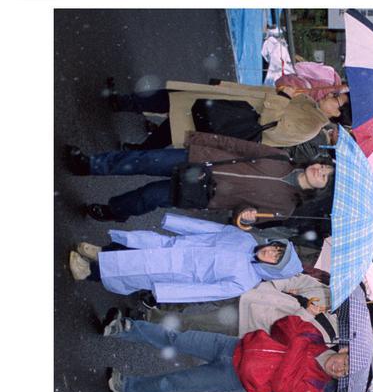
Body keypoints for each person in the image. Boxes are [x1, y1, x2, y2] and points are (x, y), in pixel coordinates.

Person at [64, 134, 335, 223]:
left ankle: (114, 211)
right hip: (200, 160)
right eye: (323, 166)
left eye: (325, 177)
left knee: (149, 196)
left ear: (320, 190)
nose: (319, 171)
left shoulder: (285, 209)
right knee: (143, 160)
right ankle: (89, 164)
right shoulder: (281, 159)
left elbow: (239, 214)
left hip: (203, 192)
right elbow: (240, 147)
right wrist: (202, 139)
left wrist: (245, 216)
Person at [99, 312, 348, 392]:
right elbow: (284, 324)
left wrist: (296, 344)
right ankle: (126, 328)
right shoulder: (315, 336)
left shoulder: (315, 388)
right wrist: (299, 343)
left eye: (345, 373)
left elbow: (281, 385)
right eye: (345, 363)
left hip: (232, 378)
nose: (340, 369)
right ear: (344, 351)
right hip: (234, 346)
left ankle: (127, 388)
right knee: (178, 338)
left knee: (175, 383)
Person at [67, 213, 302, 301]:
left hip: (175, 272)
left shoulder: (245, 280)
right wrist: (177, 224)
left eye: (275, 258)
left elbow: (206, 292)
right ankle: (101, 253)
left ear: (273, 269)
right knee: (136, 246)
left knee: (131, 271)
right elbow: (210, 229)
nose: (270, 253)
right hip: (173, 245)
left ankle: (89, 273)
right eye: (275, 249)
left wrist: (168, 293)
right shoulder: (246, 240)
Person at [104, 78, 341, 154]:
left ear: (337, 113)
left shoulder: (310, 126)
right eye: (335, 93)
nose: (331, 94)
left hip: (229, 117)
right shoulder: (310, 103)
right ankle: (125, 103)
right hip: (228, 104)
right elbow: (263, 93)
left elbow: (272, 127)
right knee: (173, 99)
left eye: (336, 98)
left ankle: (136, 151)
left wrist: (284, 99)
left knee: (174, 123)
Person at [144, 267, 337, 343]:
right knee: (202, 293)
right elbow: (297, 281)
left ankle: (150, 319)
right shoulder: (330, 292)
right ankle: (164, 304)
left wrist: (306, 313)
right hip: (257, 293)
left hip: (252, 321)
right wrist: (272, 284)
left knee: (196, 322)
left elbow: (295, 337)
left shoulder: (330, 335)